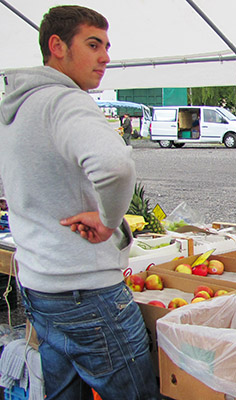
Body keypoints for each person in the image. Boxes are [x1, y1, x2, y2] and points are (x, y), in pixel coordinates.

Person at [0, 6, 159, 400]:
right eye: (93, 44)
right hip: (87, 292)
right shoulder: (64, 102)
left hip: (38, 287)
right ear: (57, 46)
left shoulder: (15, 108)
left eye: (106, 45)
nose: (105, 56)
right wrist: (109, 219)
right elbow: (115, 166)